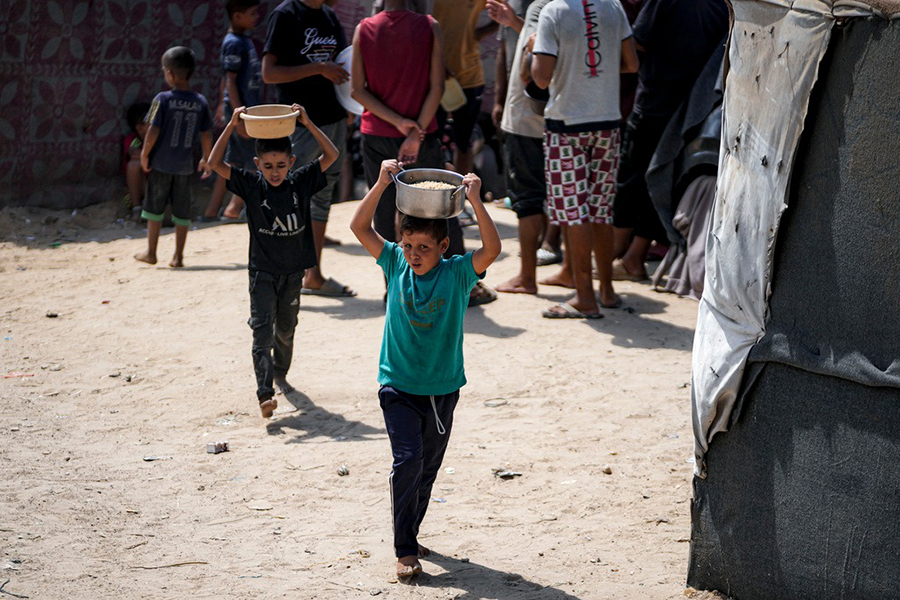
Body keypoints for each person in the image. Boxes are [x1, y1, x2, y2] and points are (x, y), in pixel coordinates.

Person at [349, 160, 500, 580]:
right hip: (397, 385)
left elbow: (491, 250)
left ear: (444, 246)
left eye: (424, 248)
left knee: (427, 470)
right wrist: (381, 184)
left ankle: (411, 533)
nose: (414, 255)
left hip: (442, 389)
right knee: (408, 461)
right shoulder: (394, 263)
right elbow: (359, 227)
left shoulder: (458, 274)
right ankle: (404, 550)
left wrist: (475, 200)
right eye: (408, 245)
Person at [352, 0, 496, 306]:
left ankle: (394, 288)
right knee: (442, 208)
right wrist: (414, 132)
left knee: (383, 212)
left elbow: (357, 91)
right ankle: (462, 287)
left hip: (377, 134)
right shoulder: (430, 26)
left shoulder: (364, 28)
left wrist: (397, 122)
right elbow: (437, 87)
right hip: (422, 135)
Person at [209, 104, 339, 418]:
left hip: (294, 273)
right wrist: (232, 125)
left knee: (286, 328)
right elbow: (214, 163)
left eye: (281, 165)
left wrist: (307, 122)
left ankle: (280, 371)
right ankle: (265, 394)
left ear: (292, 162)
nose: (275, 171)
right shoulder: (251, 185)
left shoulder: (301, 181)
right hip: (262, 273)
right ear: (258, 165)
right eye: (268, 166)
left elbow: (332, 154)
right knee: (262, 332)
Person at [531, 0, 639, 317]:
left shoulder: (553, 12)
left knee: (573, 213)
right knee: (600, 211)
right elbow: (631, 63)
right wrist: (595, 72)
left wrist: (536, 51)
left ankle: (584, 298)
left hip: (566, 126)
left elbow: (540, 78)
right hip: (607, 122)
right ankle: (606, 291)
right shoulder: (613, 7)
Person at [612, 0, 728, 280]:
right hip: (692, 110)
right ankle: (633, 255)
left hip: (655, 102)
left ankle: (613, 257)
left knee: (630, 181)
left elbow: (637, 45)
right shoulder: (722, 5)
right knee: (661, 178)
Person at [262, 0, 355, 297]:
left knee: (321, 197)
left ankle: (312, 275)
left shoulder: (329, 16)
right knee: (289, 198)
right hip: (299, 125)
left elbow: (343, 65)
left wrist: (349, 103)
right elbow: (269, 73)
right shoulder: (286, 14)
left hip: (332, 120)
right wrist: (318, 68)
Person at [487, 0, 553, 294]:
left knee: (527, 199)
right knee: (563, 198)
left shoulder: (541, 6)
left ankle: (527, 277)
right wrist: (514, 22)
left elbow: (537, 50)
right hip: (562, 118)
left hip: (528, 119)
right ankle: (570, 271)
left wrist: (528, 74)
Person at [136, 46, 213, 268]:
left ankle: (151, 252)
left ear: (169, 73)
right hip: (185, 167)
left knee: (154, 209)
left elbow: (152, 129)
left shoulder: (161, 99)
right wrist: (206, 158)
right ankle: (178, 256)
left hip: (161, 164)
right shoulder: (200, 101)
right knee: (182, 212)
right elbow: (207, 133)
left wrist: (145, 153)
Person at [202, 0, 263, 223]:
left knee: (234, 162)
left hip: (241, 111)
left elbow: (227, 79)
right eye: (252, 13)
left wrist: (222, 105)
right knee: (253, 160)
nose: (257, 17)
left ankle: (213, 210)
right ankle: (235, 207)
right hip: (242, 113)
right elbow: (230, 79)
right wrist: (239, 116)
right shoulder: (234, 43)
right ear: (237, 16)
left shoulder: (243, 40)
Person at [431, 0, 496, 178]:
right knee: (431, 142)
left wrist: (480, 33)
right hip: (433, 75)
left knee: (464, 141)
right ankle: (432, 189)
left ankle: (462, 191)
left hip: (469, 75)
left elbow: (504, 10)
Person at [123, 102, 150, 221]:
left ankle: (151, 209)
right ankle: (137, 209)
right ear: (139, 128)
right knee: (134, 165)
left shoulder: (160, 138)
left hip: (157, 185)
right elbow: (133, 154)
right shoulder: (133, 139)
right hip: (139, 187)